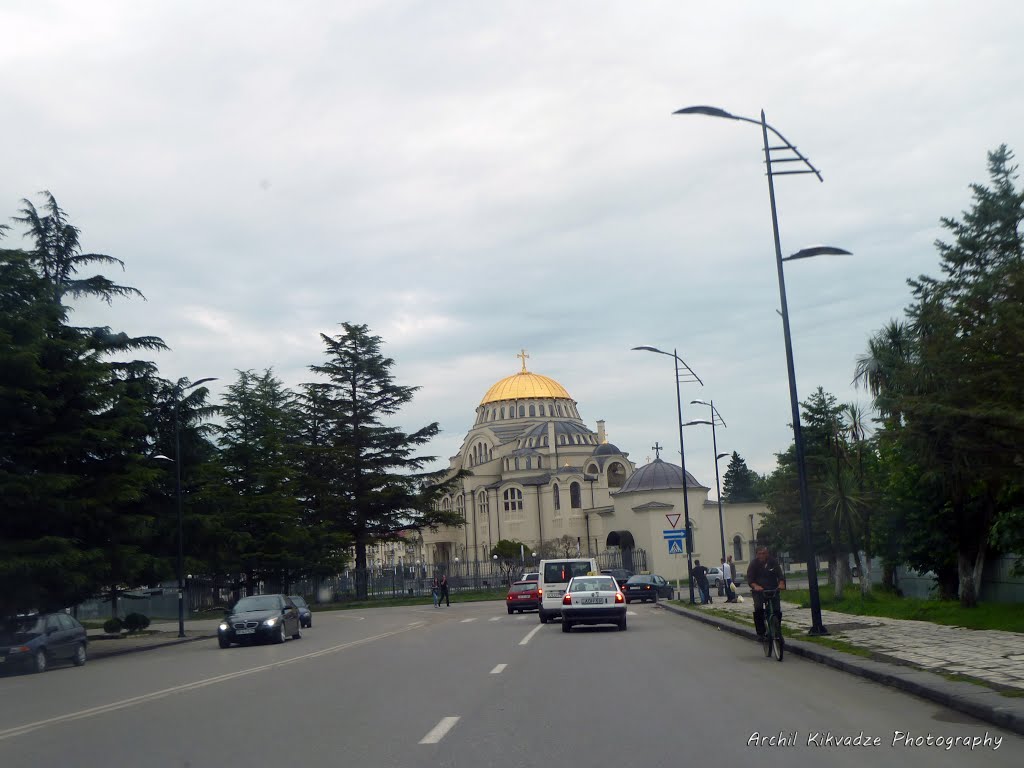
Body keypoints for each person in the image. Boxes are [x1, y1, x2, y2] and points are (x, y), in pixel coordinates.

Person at [746, 546, 787, 638]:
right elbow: (750, 580)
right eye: (759, 554)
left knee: (776, 610)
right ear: (756, 555)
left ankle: (777, 630)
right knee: (758, 608)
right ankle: (761, 632)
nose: (762, 556)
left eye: (764, 553)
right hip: (759, 591)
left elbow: (780, 575)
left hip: (772, 589)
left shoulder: (773, 562)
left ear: (767, 554)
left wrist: (781, 583)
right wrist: (755, 586)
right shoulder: (753, 564)